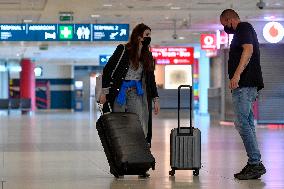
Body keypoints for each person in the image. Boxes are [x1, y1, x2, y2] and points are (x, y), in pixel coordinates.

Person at [99, 23, 160, 176]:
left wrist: (155, 99)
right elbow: (107, 70)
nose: (149, 38)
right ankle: (119, 165)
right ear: (139, 36)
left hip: (136, 92)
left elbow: (151, 79)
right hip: (120, 92)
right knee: (118, 127)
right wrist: (104, 92)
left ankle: (141, 165)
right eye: (147, 35)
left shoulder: (148, 55)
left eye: (149, 35)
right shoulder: (123, 50)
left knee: (139, 127)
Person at [220, 9, 266, 180]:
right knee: (246, 123)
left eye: (225, 24)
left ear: (229, 19)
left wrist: (237, 74)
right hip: (246, 85)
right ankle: (254, 162)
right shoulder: (242, 31)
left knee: (241, 123)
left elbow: (248, 50)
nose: (225, 28)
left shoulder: (244, 27)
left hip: (244, 84)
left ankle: (255, 163)